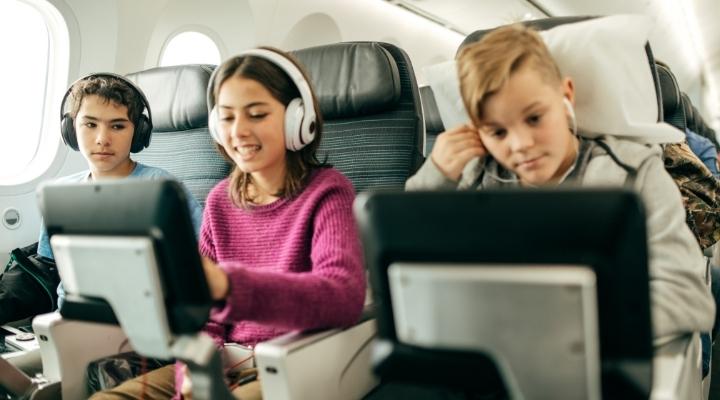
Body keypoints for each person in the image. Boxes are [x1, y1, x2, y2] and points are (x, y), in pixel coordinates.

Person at [406, 24, 714, 340]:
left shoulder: (634, 172)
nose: (520, 144)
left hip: (601, 345)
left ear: (566, 95)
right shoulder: (478, 176)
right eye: (497, 132)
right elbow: (406, 268)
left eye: (534, 118)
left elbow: (687, 299)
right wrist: (436, 176)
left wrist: (563, 322)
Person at [91, 47, 365, 400]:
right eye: (227, 117)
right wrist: (194, 367)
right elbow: (203, 316)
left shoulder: (328, 192)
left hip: (294, 359)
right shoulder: (221, 199)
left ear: (298, 119)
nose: (239, 132)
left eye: (257, 114)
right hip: (222, 359)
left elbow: (342, 297)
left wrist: (229, 286)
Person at [37, 73, 203, 307]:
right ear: (71, 129)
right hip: (73, 316)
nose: (102, 139)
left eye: (117, 126)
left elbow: (204, 260)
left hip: (146, 315)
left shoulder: (161, 189)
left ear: (138, 132)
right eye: (90, 124)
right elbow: (52, 264)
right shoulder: (60, 194)